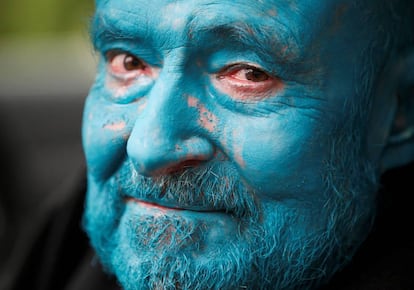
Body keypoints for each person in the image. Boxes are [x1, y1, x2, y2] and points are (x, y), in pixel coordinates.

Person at [4, 0, 414, 289]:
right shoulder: (70, 239)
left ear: (401, 110)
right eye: (129, 61)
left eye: (250, 74)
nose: (147, 150)